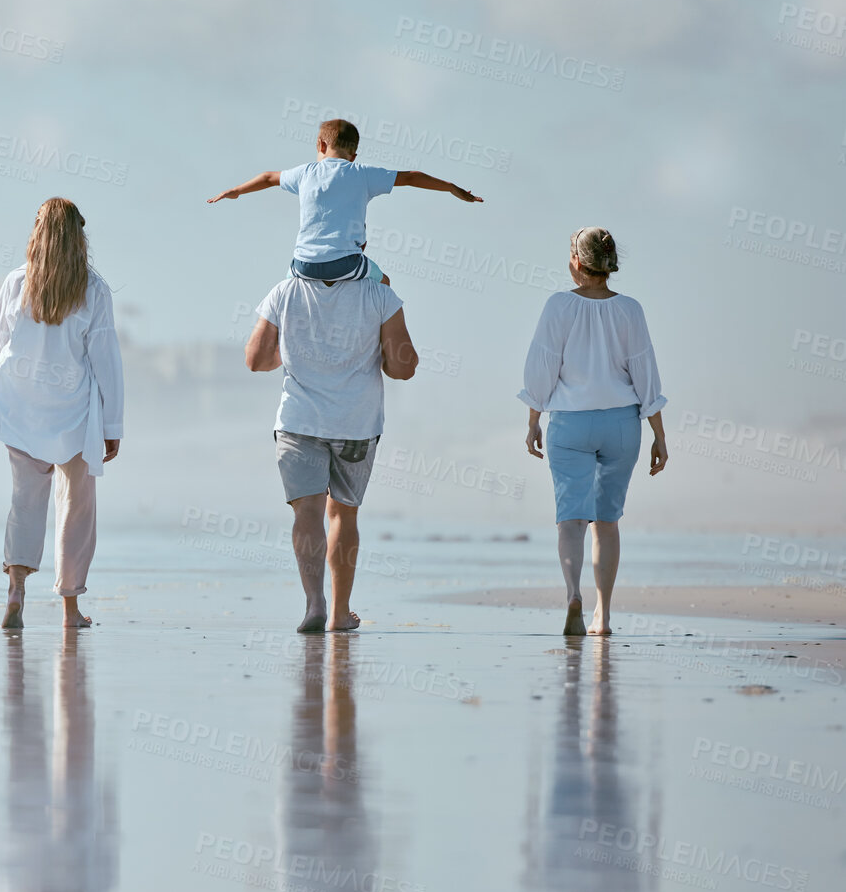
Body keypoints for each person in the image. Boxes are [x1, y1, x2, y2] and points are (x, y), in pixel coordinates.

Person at [245, 259, 418, 633]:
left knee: (306, 512)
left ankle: (314, 604)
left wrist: (292, 354)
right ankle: (340, 613)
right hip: (355, 424)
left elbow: (256, 360)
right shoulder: (380, 294)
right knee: (343, 514)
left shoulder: (285, 290)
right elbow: (404, 368)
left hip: (298, 422)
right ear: (362, 244)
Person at [518, 227, 668, 636]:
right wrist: (659, 433)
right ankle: (603, 614)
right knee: (607, 521)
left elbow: (542, 365)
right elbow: (645, 372)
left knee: (571, 520)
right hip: (621, 424)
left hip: (570, 423)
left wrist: (533, 419)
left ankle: (573, 595)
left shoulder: (558, 305)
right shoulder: (631, 309)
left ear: (577, 263)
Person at [0, 198, 124, 629]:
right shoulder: (94, 289)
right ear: (79, 235)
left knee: (24, 503)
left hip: (22, 410)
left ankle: (15, 589)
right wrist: (113, 424)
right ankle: (69, 608)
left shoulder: (16, 282)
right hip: (75, 415)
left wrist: (1, 403)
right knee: (76, 508)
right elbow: (107, 362)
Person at [206, 117, 482, 285]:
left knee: (286, 286)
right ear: (354, 156)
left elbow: (267, 177)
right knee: (384, 282)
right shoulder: (362, 173)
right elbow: (411, 176)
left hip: (302, 265)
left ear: (320, 145)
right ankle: (382, 348)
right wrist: (451, 188)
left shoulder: (305, 173)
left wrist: (236, 190)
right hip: (346, 264)